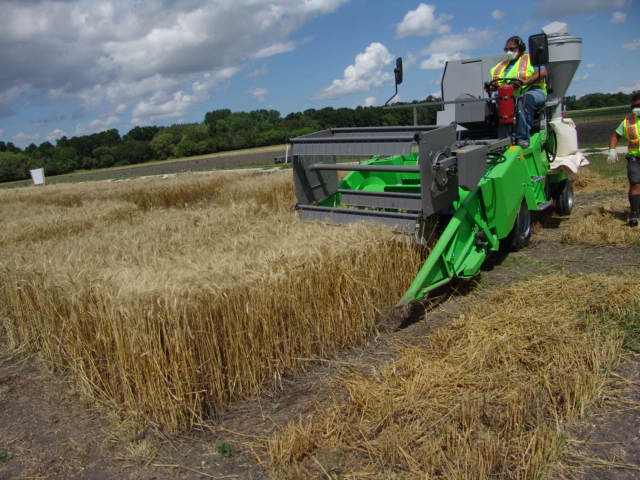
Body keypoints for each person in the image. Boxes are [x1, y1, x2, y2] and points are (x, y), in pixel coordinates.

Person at [488, 36, 548, 149]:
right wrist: (492, 87)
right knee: (500, 104)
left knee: (524, 101)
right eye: (506, 49)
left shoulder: (530, 59)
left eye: (512, 49)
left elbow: (543, 73)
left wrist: (525, 81)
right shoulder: (500, 66)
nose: (509, 52)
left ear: (520, 48)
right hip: (510, 95)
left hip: (533, 90)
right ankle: (503, 140)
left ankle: (522, 139)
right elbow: (498, 84)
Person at [607, 93, 640, 227]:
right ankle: (634, 212)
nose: (637, 107)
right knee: (635, 183)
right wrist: (612, 150)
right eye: (635, 105)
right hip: (634, 159)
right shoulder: (627, 121)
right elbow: (615, 136)